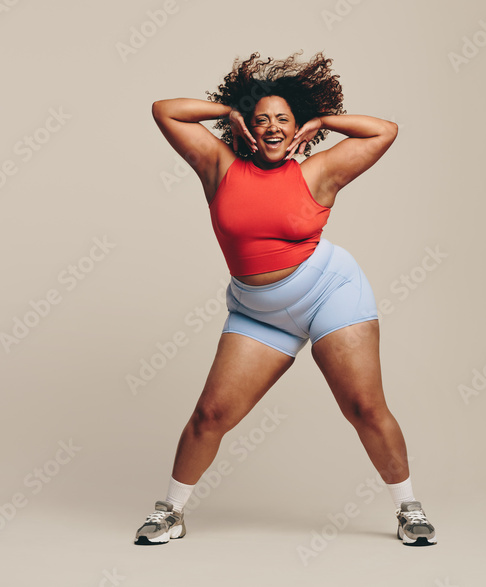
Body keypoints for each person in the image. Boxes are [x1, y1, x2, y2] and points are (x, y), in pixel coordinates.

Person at [136, 52, 435, 547]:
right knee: (210, 416)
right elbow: (163, 109)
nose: (272, 128)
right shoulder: (218, 166)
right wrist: (227, 113)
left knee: (364, 406)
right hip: (259, 312)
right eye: (260, 120)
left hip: (328, 292)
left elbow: (384, 130)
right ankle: (170, 511)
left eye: (283, 120)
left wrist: (322, 119)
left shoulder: (318, 171)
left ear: (298, 128)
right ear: (247, 128)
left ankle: (409, 508)